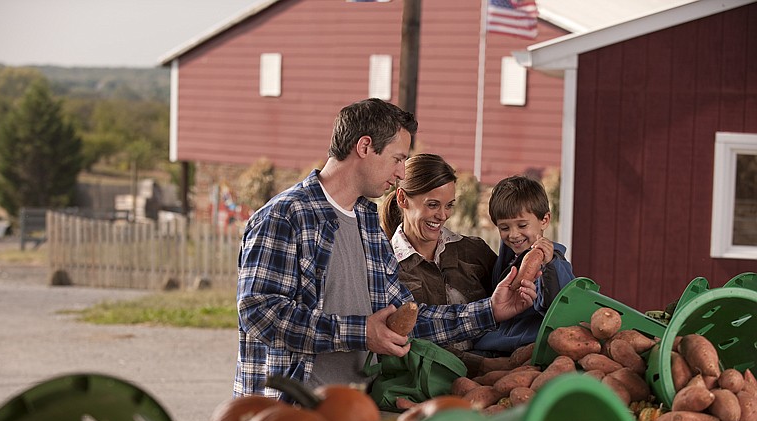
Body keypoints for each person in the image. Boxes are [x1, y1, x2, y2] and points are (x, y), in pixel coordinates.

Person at [234, 98, 538, 399]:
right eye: (397, 158)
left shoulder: (367, 221)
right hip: (288, 411)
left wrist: (490, 311)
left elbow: (404, 319)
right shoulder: (286, 216)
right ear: (365, 147)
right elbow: (259, 312)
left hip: (355, 407)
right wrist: (362, 332)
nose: (402, 173)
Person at [379, 153, 497, 354]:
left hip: (493, 379)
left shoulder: (475, 252)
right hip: (421, 383)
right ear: (402, 199)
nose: (443, 216)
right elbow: (409, 336)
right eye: (432, 205)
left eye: (449, 205)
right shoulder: (385, 266)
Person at [472, 175, 575, 355]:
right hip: (494, 342)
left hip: (527, 347)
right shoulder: (510, 256)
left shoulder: (554, 262)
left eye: (522, 225)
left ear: (544, 220)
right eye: (504, 228)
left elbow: (561, 306)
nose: (513, 235)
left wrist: (549, 264)